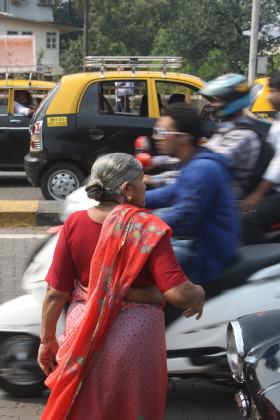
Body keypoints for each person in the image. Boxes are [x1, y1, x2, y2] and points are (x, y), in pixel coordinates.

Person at [37, 153, 205, 420]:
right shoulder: (148, 227)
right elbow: (178, 293)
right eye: (142, 182)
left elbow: (56, 293)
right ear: (127, 189)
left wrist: (47, 340)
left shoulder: (74, 223)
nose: (145, 188)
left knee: (87, 407)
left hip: (84, 333)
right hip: (135, 339)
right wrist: (198, 293)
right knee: (133, 409)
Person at [145, 102, 239, 290]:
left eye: (162, 132)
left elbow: (182, 217)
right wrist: (133, 197)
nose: (156, 137)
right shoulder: (193, 163)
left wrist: (138, 223)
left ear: (183, 138)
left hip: (209, 258)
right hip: (200, 246)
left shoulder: (201, 169)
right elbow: (171, 192)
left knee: (145, 284)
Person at [200, 73, 262, 199]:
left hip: (223, 203)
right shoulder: (226, 128)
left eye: (218, 101)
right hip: (209, 195)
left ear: (233, 101)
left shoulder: (243, 135)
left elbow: (206, 165)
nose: (213, 105)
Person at [241, 71, 280, 243]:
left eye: (272, 91)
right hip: (272, 188)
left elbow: (277, 165)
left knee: (248, 218)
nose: (268, 96)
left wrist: (257, 194)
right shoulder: (276, 120)